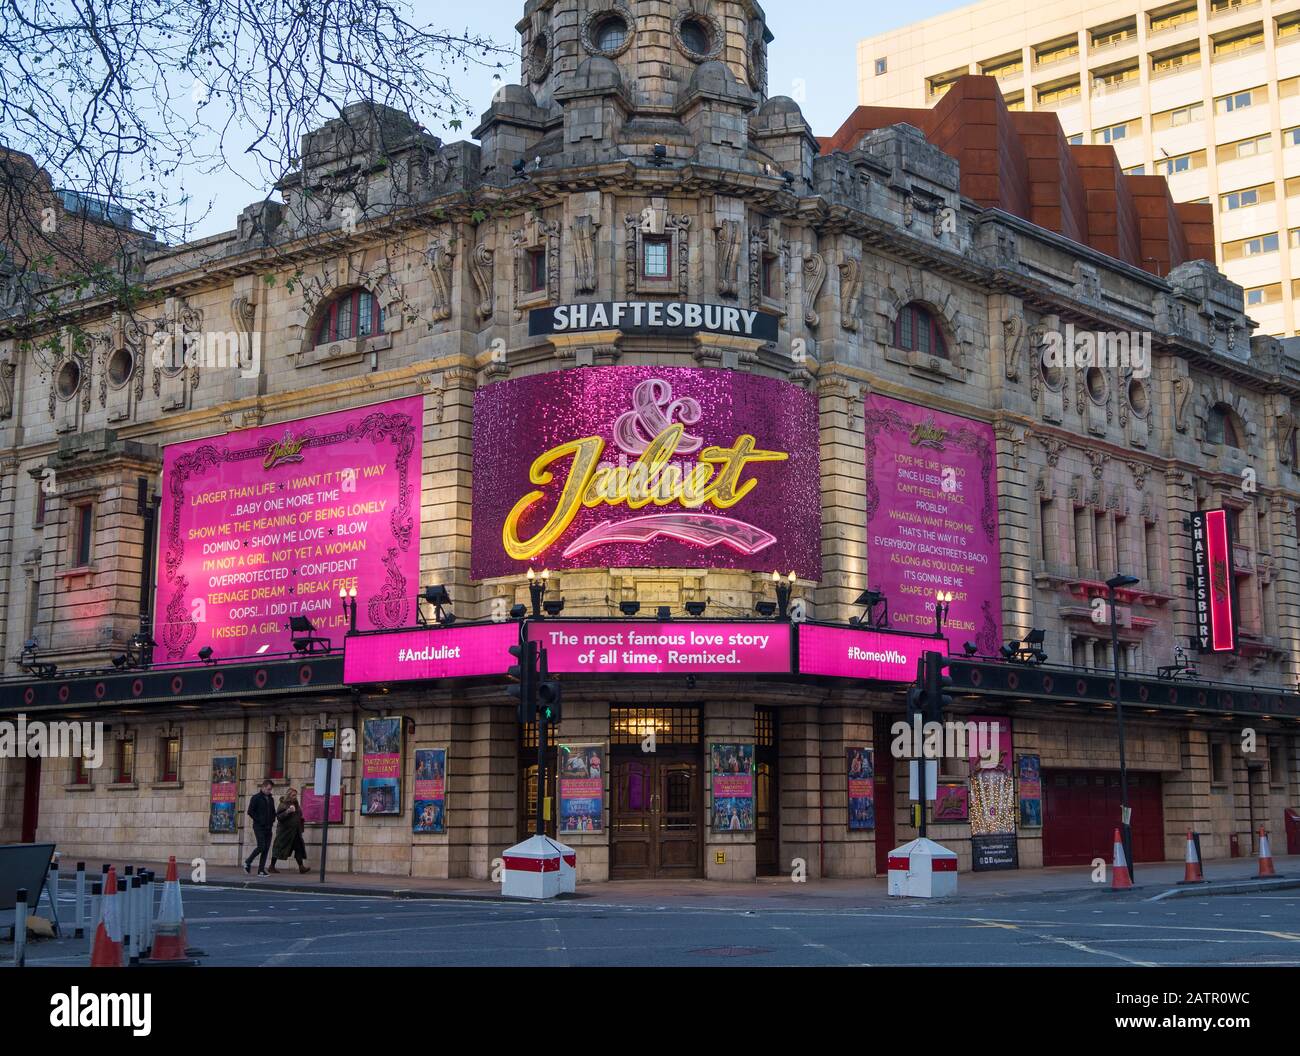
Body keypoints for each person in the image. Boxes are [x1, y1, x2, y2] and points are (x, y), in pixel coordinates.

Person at [270, 787, 309, 874]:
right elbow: (279, 817)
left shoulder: (296, 804)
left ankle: (301, 867)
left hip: (295, 831)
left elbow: (299, 814)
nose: (295, 797)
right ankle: (271, 866)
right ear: (289, 795)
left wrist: (301, 818)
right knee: (278, 848)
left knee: (298, 848)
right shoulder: (283, 804)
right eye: (293, 795)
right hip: (285, 832)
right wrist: (287, 812)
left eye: (296, 795)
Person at [244, 779, 276, 876]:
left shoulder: (271, 799)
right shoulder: (256, 798)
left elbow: (273, 812)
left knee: (266, 848)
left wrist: (272, 819)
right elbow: (250, 811)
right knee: (261, 846)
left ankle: (261, 870)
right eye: (268, 789)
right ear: (263, 787)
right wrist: (259, 820)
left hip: (268, 827)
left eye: (270, 790)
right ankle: (248, 861)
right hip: (259, 826)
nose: (269, 791)